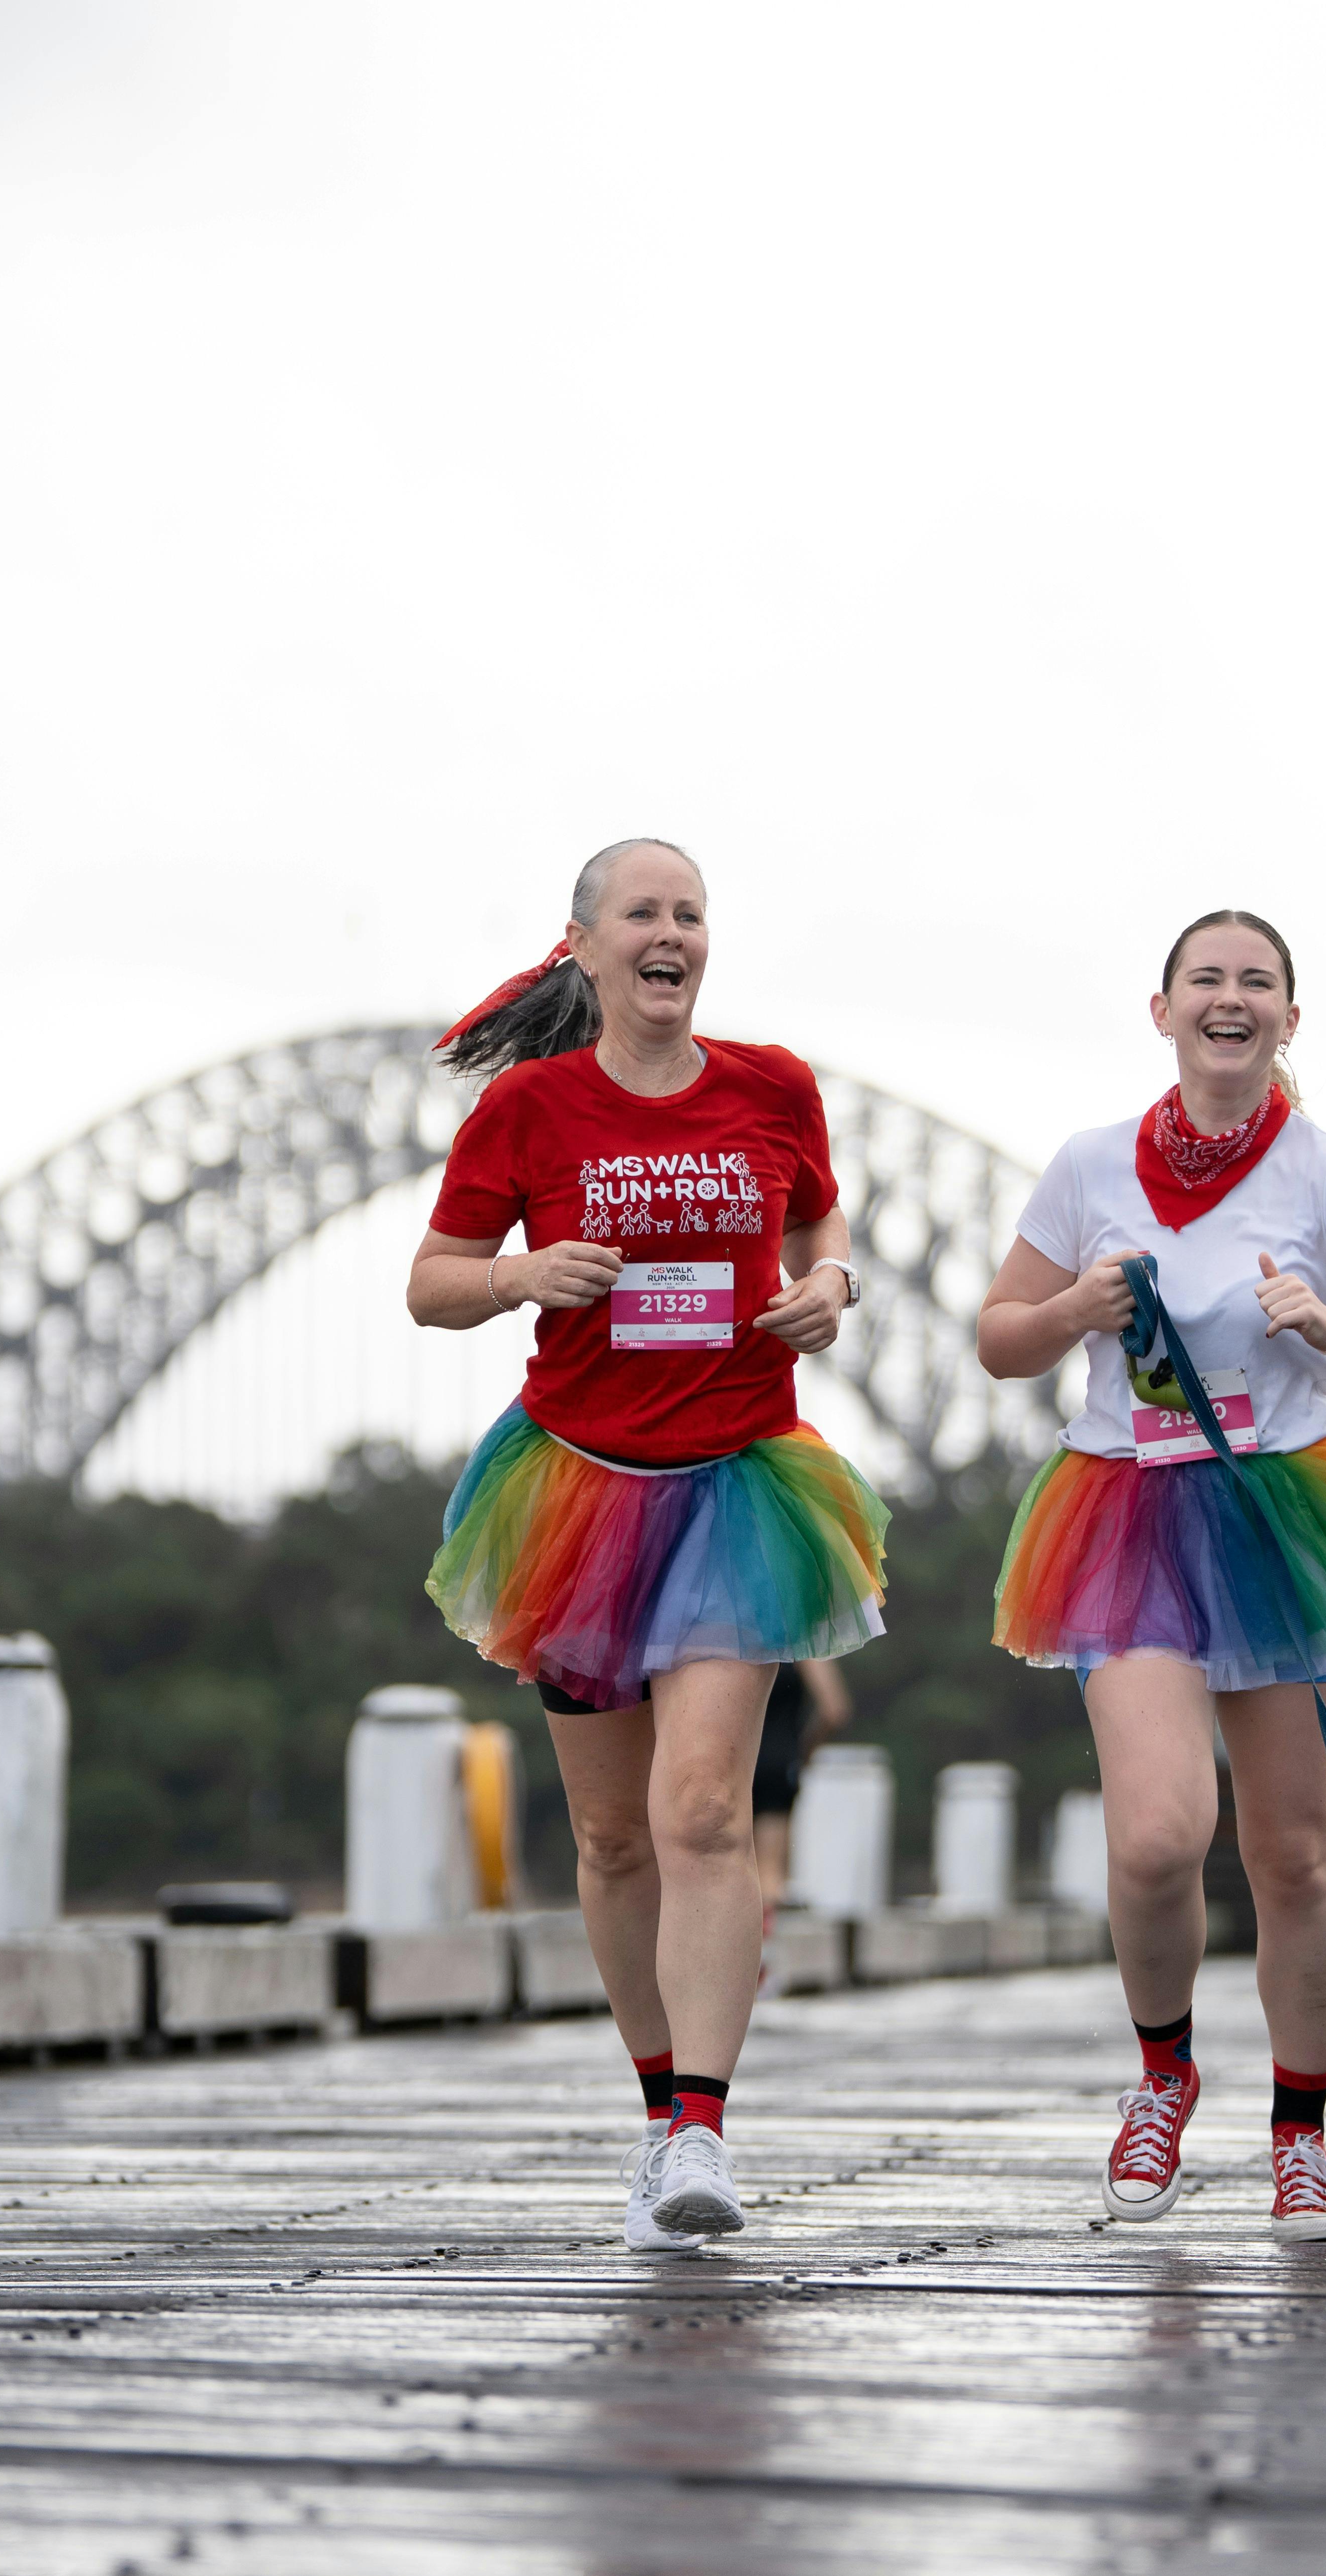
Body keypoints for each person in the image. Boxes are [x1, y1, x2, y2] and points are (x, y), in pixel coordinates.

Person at [976, 908, 1326, 2241]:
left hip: (1287, 1520)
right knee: (1155, 1839)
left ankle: (1300, 2136)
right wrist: (1069, 1313)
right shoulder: (1090, 1163)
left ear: (1286, 1019)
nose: (1229, 997)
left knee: (1295, 1855)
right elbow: (998, 1339)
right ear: (1161, 1011)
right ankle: (1162, 2074)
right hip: (1127, 1513)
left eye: (1254, 982)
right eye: (1204, 978)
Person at [407, 837, 888, 2254]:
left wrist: (830, 1283)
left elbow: (819, 1213)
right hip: (573, 1498)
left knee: (700, 1815)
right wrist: (519, 1277)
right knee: (614, 1837)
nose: (668, 932)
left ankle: (701, 2130)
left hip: (739, 1488)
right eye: (642, 913)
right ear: (587, 946)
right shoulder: (531, 1110)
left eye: (689, 913)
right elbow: (431, 1286)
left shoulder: (771, 1085)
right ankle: (651, 2108)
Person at [754, 1657, 851, 1936]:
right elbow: (835, 1710)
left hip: (728, 1760)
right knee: (769, 1875)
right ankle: (763, 1968)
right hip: (777, 1763)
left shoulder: (726, 1626)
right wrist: (804, 1748)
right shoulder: (799, 1631)